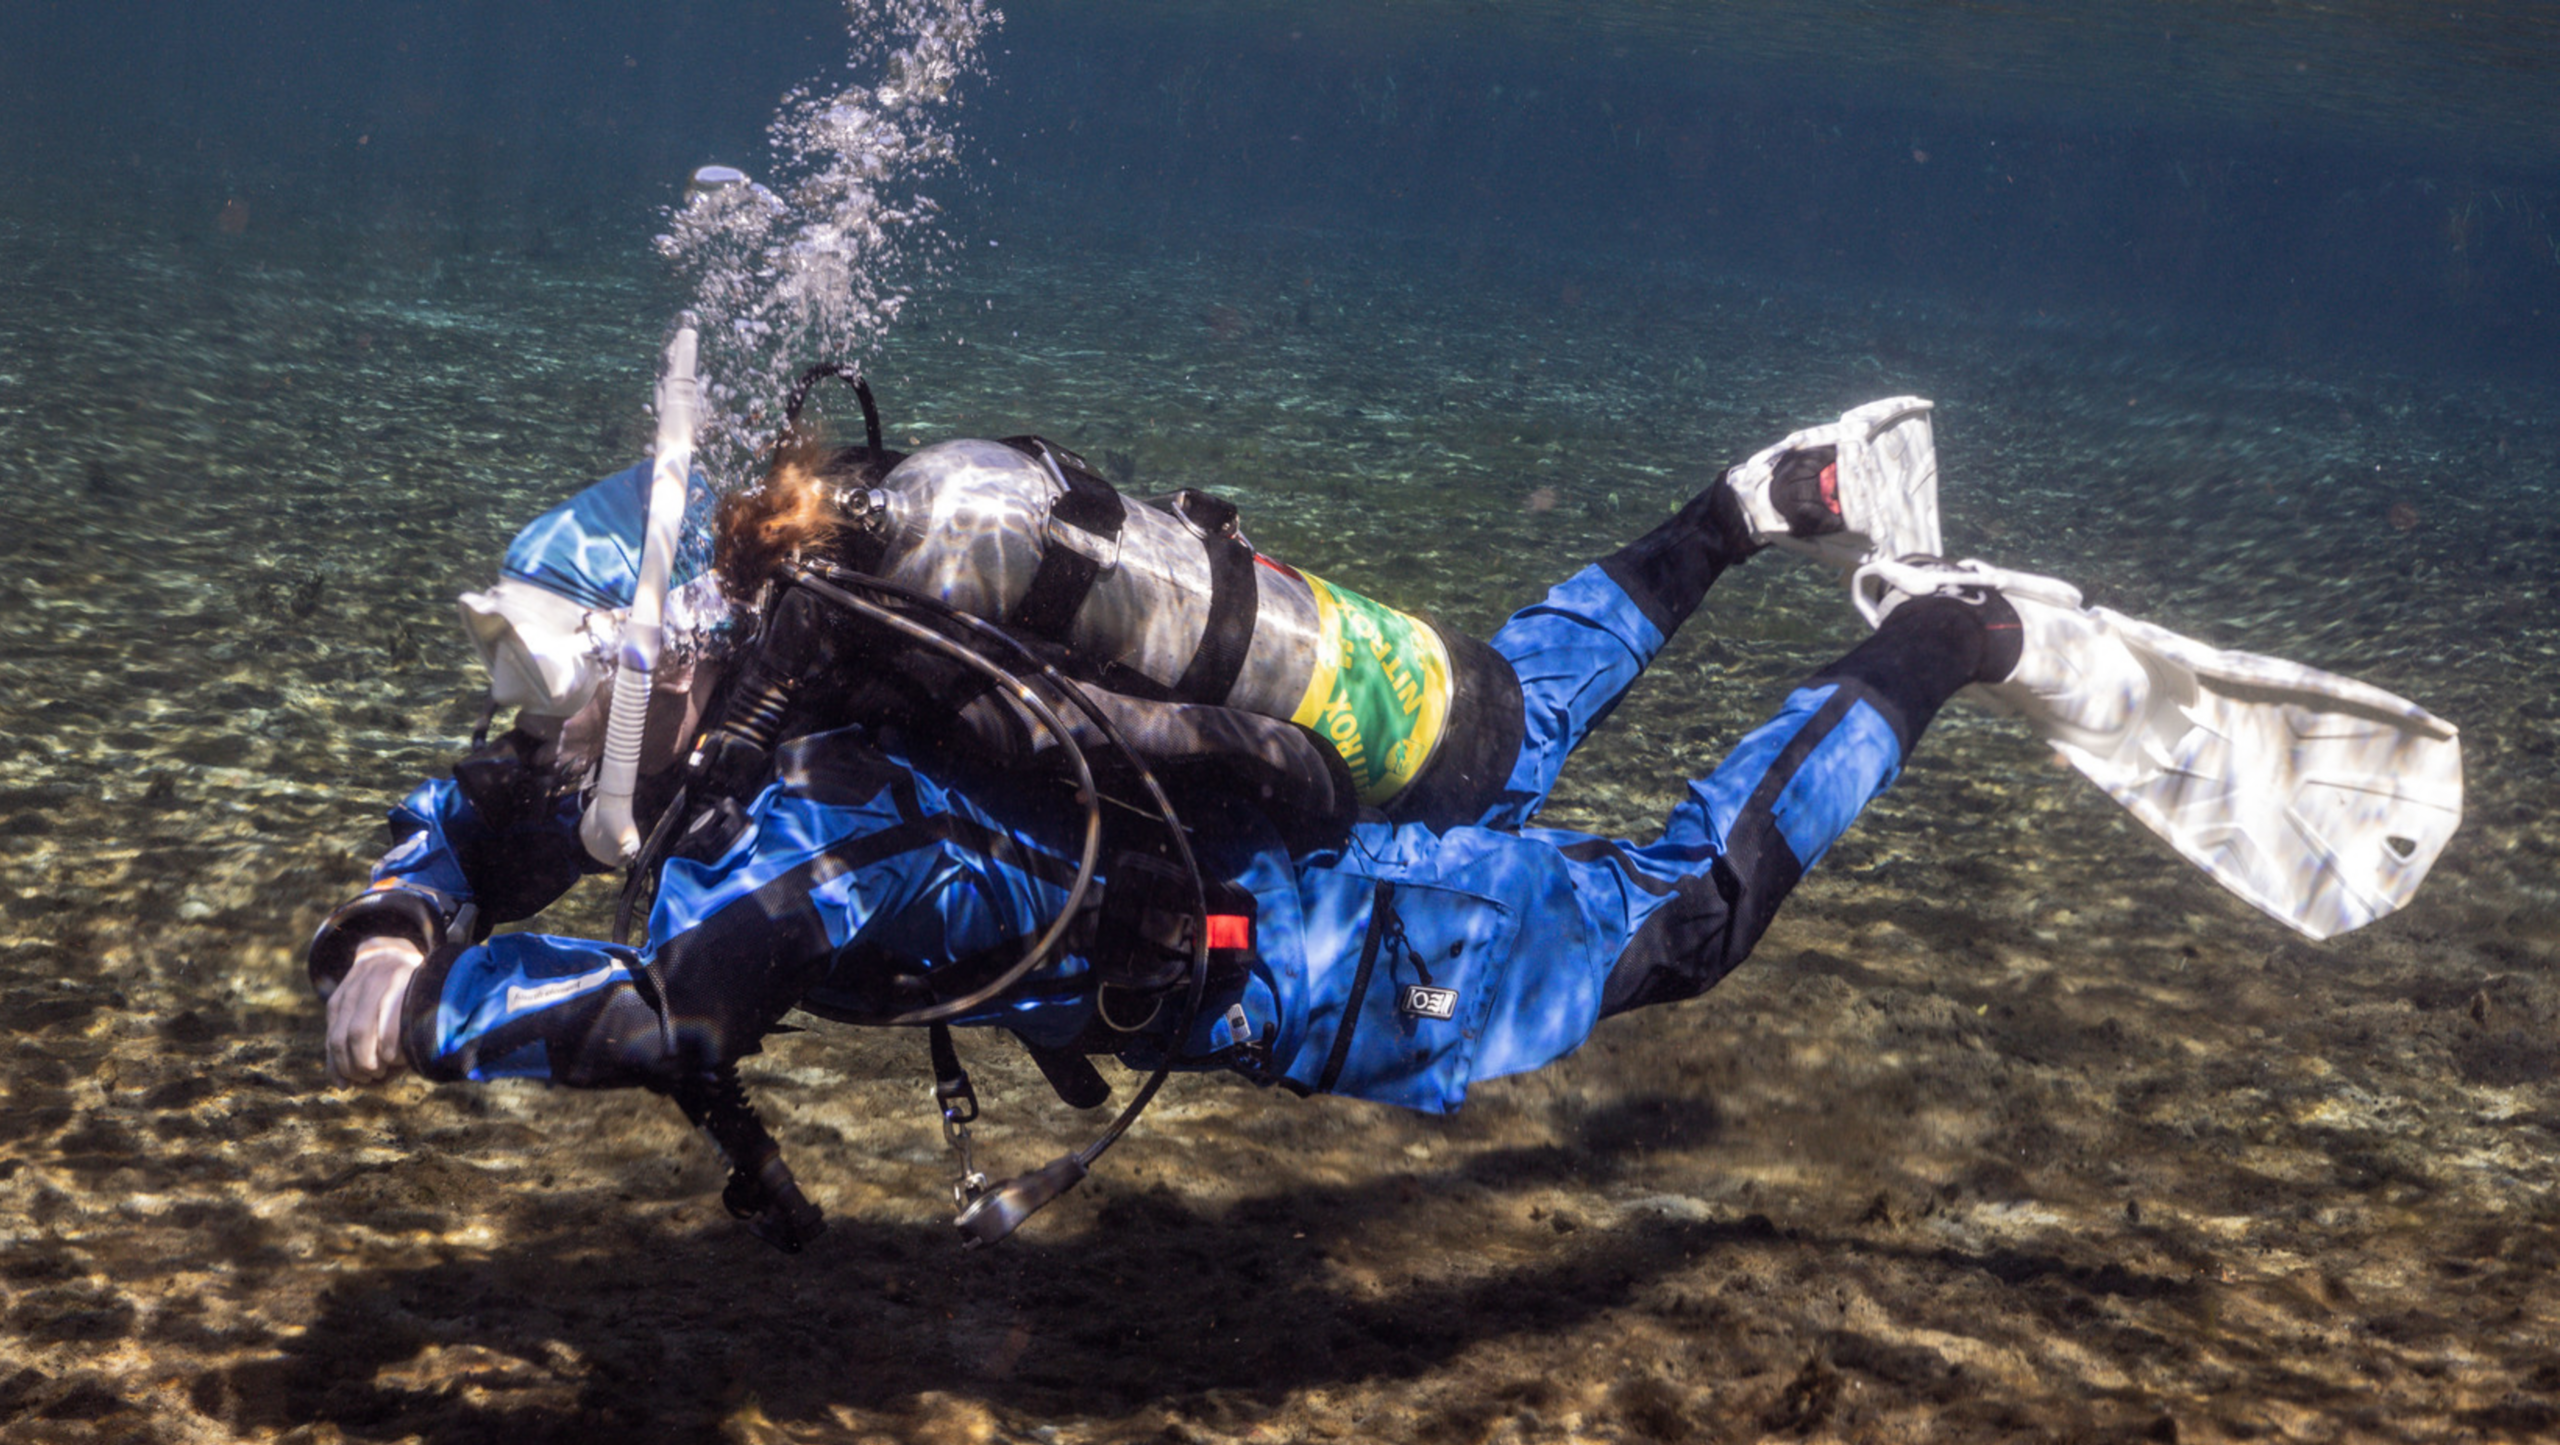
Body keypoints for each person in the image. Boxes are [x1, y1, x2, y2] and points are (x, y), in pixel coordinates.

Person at [309, 390, 2460, 1250]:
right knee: (1497, 716)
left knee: (1680, 914)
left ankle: (1954, 642)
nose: (537, 726)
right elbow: (499, 814)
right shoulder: (776, 692)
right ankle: (1760, 505)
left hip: (1311, 960)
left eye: (556, 676)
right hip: (1268, 804)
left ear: (667, 651)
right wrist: (400, 895)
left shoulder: (803, 833)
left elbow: (660, 1006)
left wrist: (426, 1014)